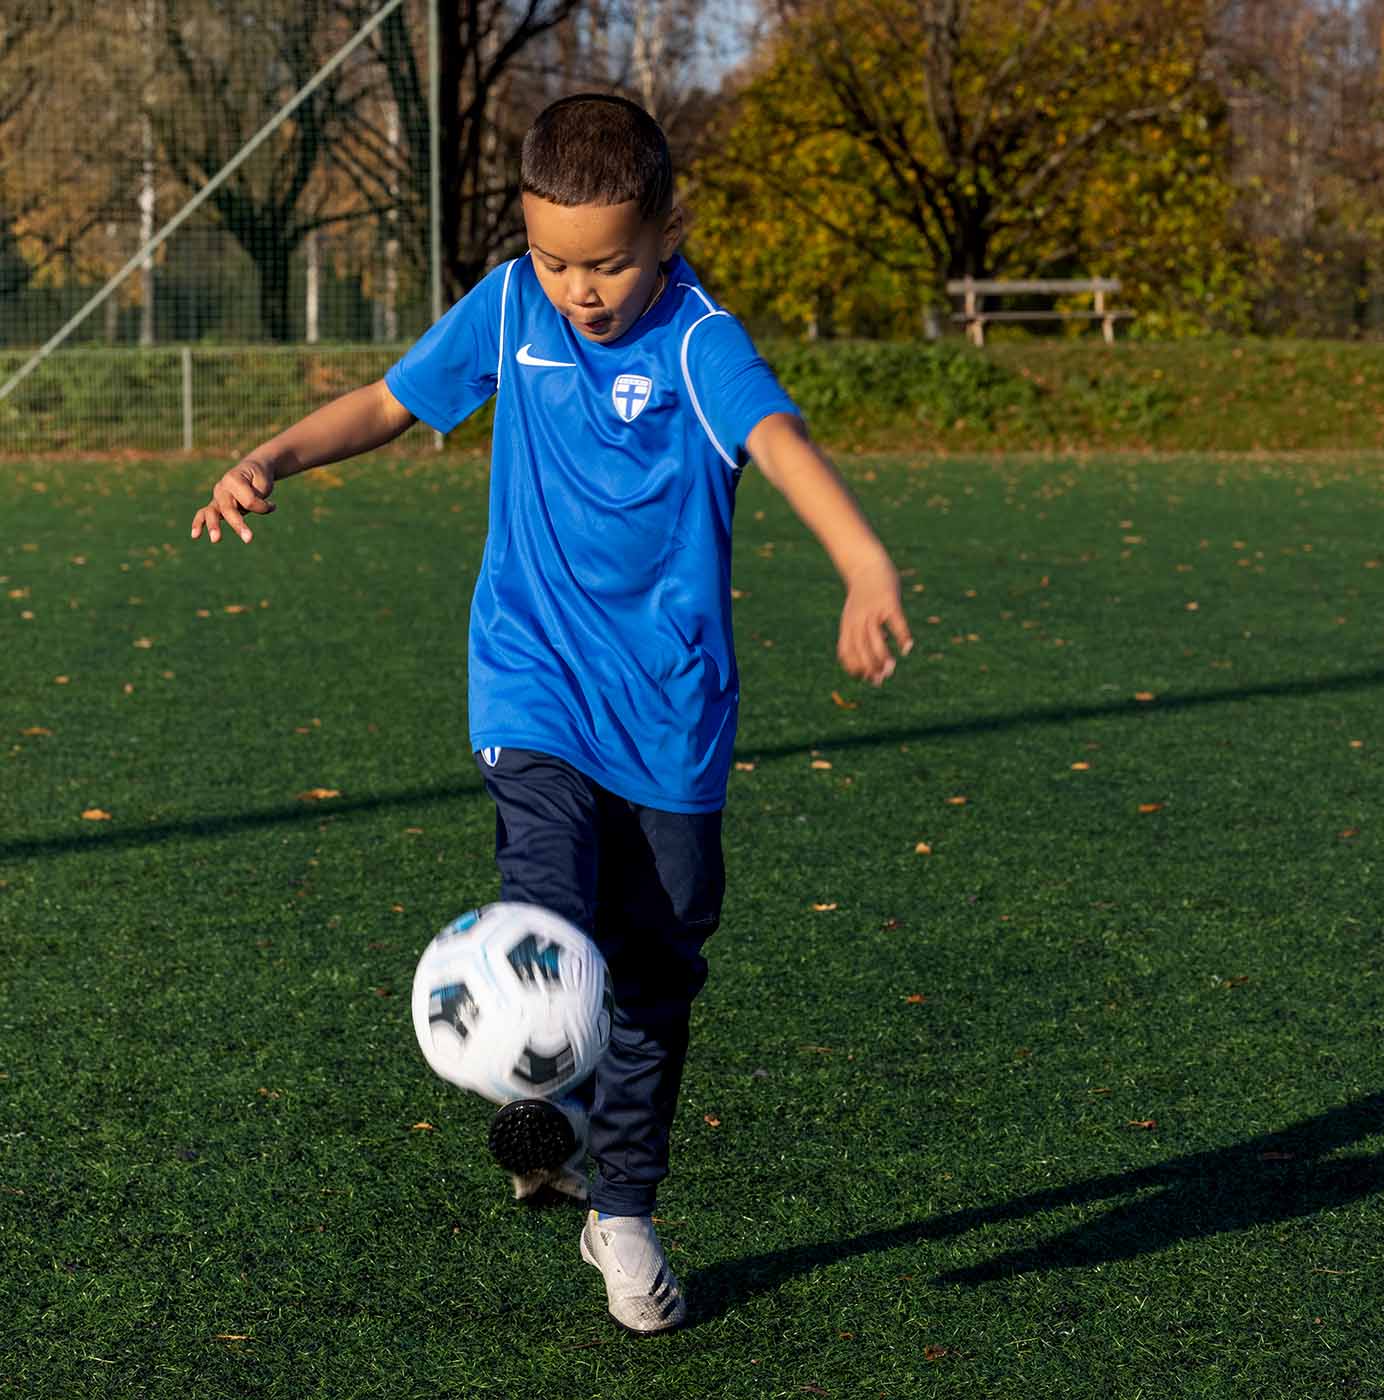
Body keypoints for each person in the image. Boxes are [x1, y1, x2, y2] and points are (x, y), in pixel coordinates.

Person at [191, 93, 912, 1335]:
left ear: (667, 229)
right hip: (529, 678)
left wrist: (863, 561)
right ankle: (553, 1095)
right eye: (556, 258)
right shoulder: (512, 307)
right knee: (544, 898)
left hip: (671, 715)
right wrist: (273, 456)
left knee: (657, 969)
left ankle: (611, 1195)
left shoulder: (697, 341)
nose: (580, 288)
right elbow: (391, 399)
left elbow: (781, 441)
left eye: (609, 261)